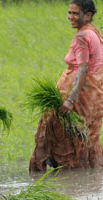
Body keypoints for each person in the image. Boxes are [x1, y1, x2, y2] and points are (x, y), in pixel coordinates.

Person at [29, 0, 103, 171]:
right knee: (88, 137)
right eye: (69, 13)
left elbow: (83, 70)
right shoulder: (94, 32)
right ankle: (91, 178)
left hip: (79, 94)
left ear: (88, 15)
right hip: (94, 95)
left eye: (75, 14)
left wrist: (70, 100)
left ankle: (68, 178)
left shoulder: (82, 36)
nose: (70, 17)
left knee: (64, 135)